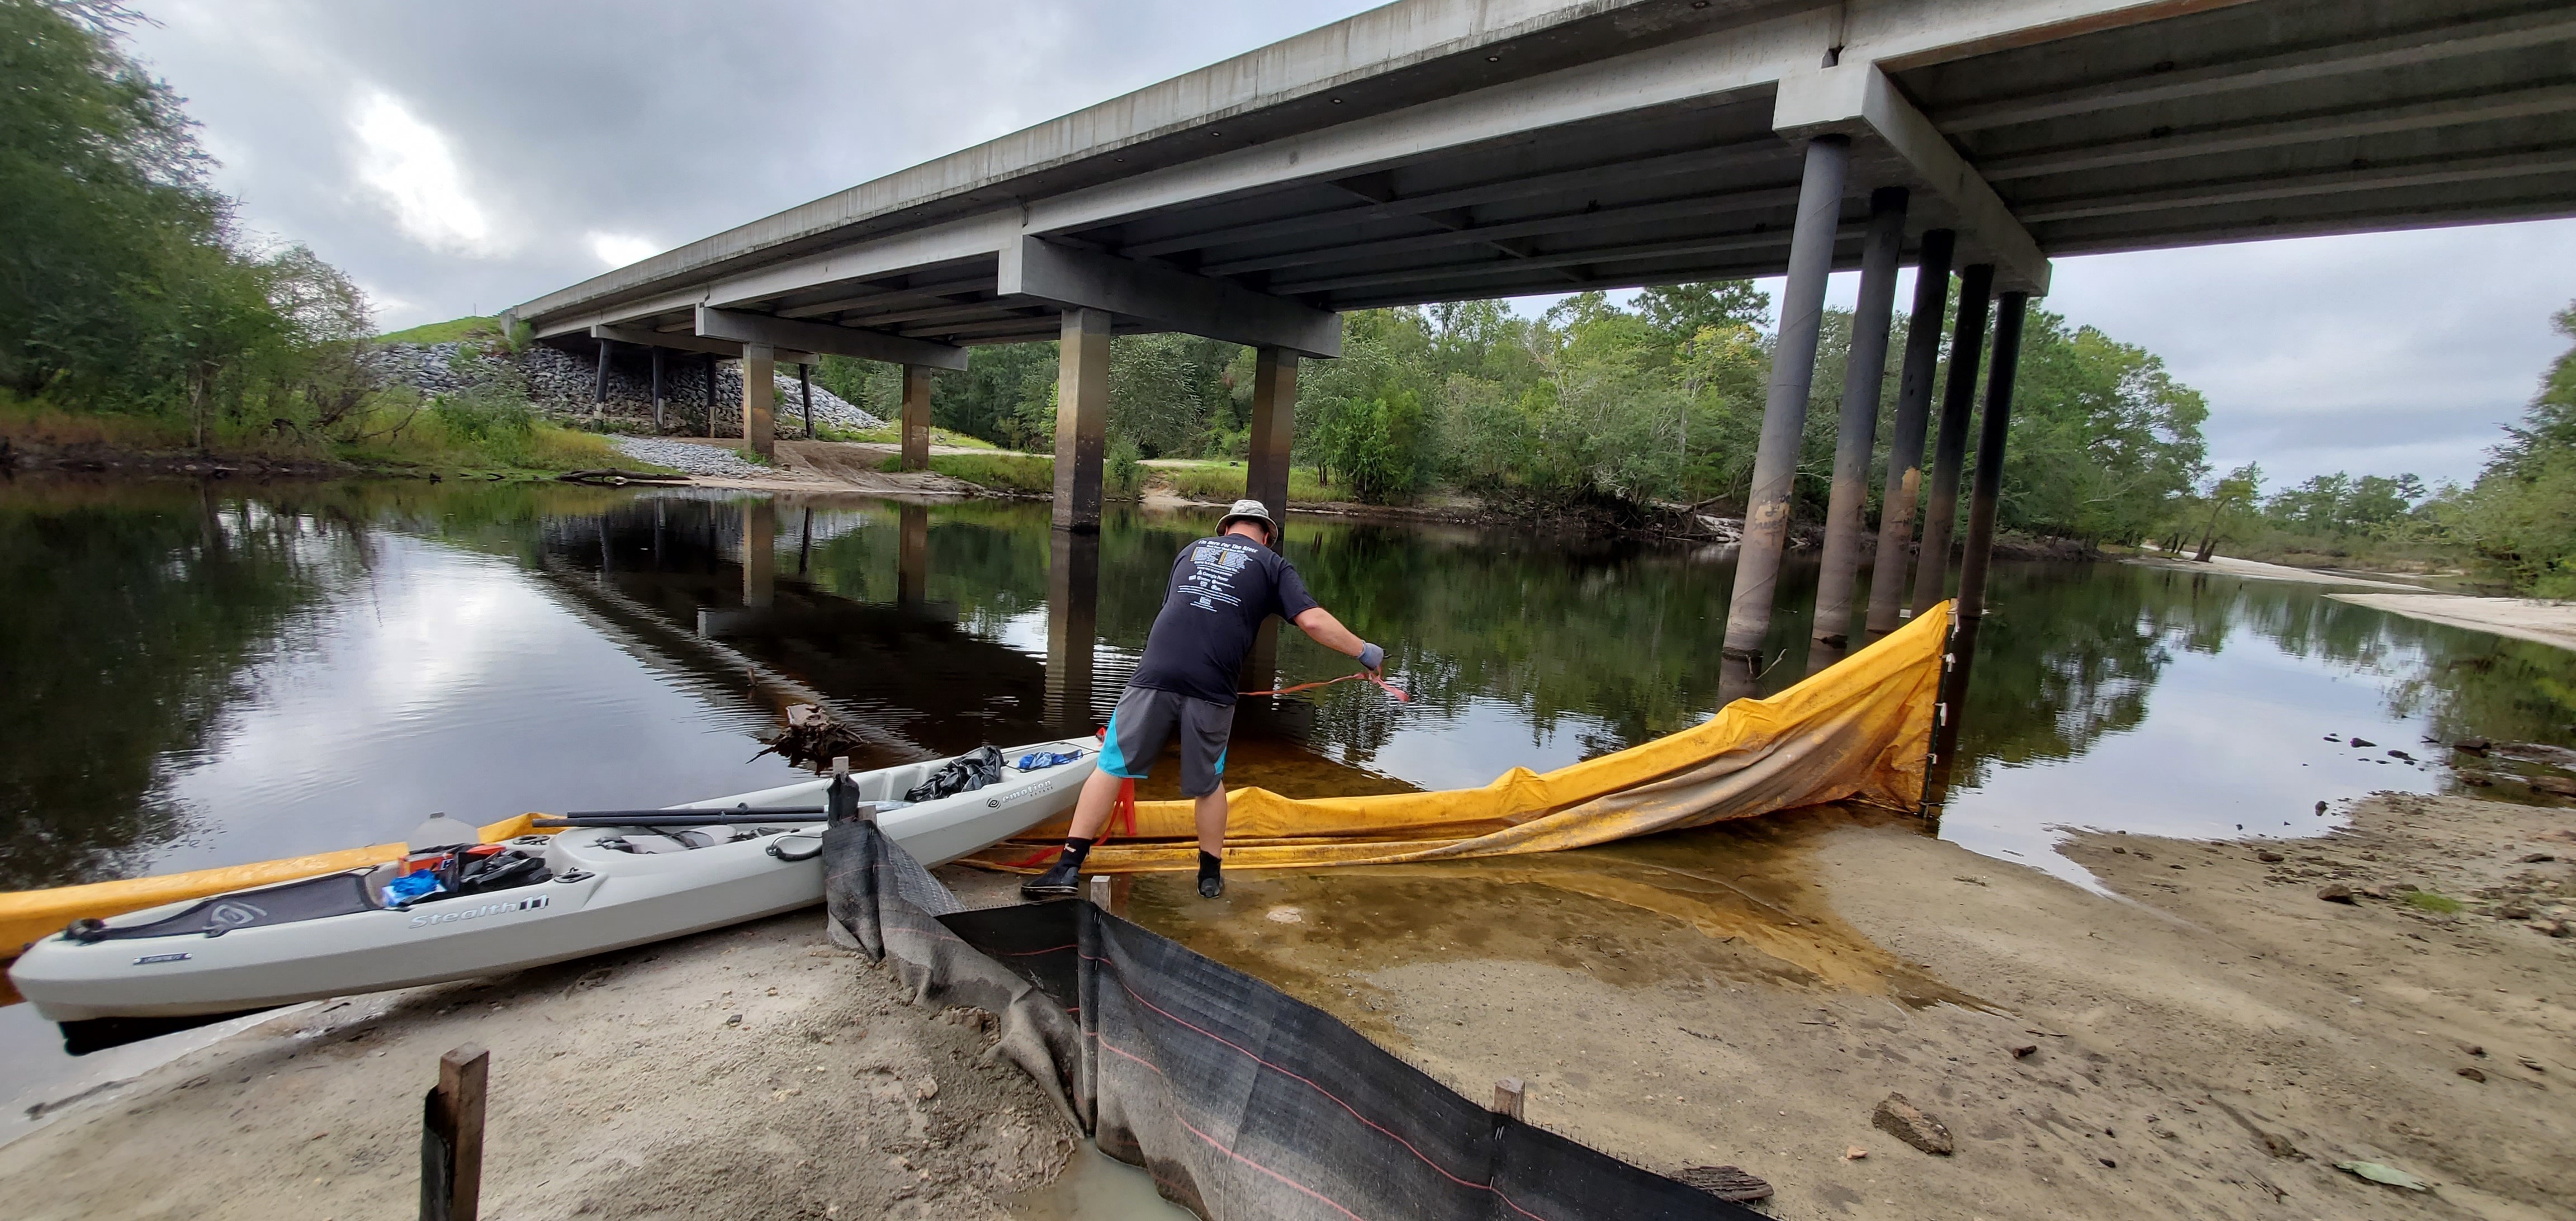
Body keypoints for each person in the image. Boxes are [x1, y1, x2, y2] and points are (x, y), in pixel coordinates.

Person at [1021, 499, 1384, 901]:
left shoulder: (1190, 551)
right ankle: (1209, 878)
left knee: (1113, 765)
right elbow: (1312, 620)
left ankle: (1067, 867)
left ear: (1226, 529)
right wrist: (1365, 652)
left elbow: (1176, 609)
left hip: (1155, 672)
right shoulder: (1271, 564)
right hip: (1212, 685)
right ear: (1267, 536)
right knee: (1208, 784)